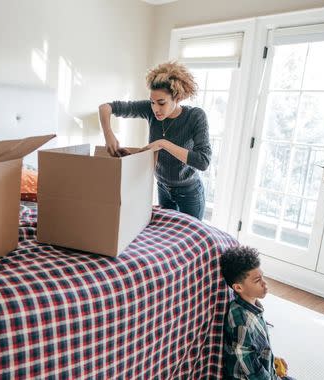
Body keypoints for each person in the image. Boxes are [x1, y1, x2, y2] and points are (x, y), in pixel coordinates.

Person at [98, 61, 211, 220]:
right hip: (162, 188)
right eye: (152, 102)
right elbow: (105, 107)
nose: (155, 108)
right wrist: (108, 133)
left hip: (189, 193)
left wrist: (163, 144)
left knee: (189, 239)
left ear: (177, 97)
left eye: (161, 103)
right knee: (167, 239)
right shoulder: (150, 110)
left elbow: (203, 161)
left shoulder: (195, 116)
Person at [220, 246, 296, 380]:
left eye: (263, 277)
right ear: (238, 287)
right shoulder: (241, 323)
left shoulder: (253, 307)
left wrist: (272, 360)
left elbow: (258, 347)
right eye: (257, 281)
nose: (265, 284)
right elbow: (250, 367)